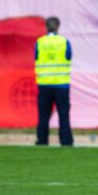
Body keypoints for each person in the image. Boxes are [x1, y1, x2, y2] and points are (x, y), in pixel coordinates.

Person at [35, 16, 73, 146]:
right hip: (61, 84)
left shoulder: (40, 42)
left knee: (43, 115)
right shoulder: (64, 42)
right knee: (63, 115)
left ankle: (42, 140)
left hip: (44, 84)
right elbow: (68, 56)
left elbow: (36, 57)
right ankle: (66, 141)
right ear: (58, 27)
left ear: (46, 27)